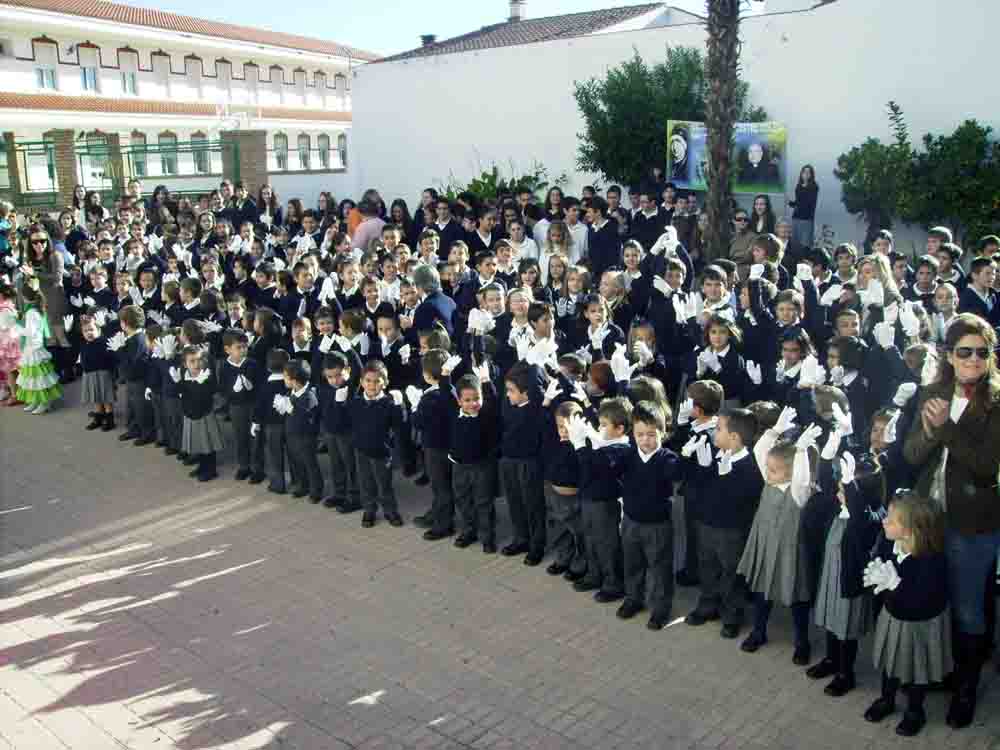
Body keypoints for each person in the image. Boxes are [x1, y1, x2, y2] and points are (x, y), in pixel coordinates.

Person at [903, 313, 1000, 729]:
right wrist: (927, 431)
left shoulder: (996, 402)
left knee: (968, 609)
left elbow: (987, 467)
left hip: (975, 522)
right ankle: (948, 670)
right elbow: (910, 455)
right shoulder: (932, 391)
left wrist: (944, 430)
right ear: (949, 355)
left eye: (983, 352)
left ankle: (967, 687)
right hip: (931, 517)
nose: (974, 359)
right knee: (937, 597)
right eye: (965, 352)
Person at [863, 493, 951, 737]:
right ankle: (887, 699)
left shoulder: (931, 560)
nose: (884, 521)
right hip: (893, 617)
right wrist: (876, 578)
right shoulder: (887, 542)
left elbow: (922, 600)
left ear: (911, 530)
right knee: (890, 663)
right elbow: (878, 566)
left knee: (917, 669)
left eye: (891, 520)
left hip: (920, 624)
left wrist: (896, 584)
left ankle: (915, 710)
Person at [738, 406, 817, 664]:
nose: (767, 472)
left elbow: (803, 477)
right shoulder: (770, 478)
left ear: (791, 472)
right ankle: (759, 631)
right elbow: (761, 451)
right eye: (768, 468)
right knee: (762, 590)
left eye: (773, 470)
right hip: (765, 544)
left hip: (788, 550)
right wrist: (775, 431)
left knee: (796, 596)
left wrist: (803, 451)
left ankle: (802, 640)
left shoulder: (798, 491)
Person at [684, 407, 764, 639]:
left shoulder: (749, 466)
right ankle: (707, 605)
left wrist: (727, 478)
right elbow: (701, 488)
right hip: (707, 525)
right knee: (707, 568)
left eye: (718, 429)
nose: (713, 433)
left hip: (732, 532)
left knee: (731, 574)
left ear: (734, 437)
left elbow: (745, 499)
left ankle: (732, 615)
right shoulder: (715, 454)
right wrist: (701, 467)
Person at [614, 400, 681, 630]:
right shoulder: (629, 455)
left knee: (660, 568)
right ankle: (634, 598)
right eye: (640, 434)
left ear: (663, 433)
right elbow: (610, 469)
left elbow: (677, 473)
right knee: (632, 564)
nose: (645, 440)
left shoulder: (667, 458)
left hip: (657, 526)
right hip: (631, 521)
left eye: (651, 434)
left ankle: (661, 609)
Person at [347, 360, 406, 528]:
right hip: (362, 451)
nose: (372, 385)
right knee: (366, 483)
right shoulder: (356, 402)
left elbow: (399, 424)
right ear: (361, 382)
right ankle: (369, 510)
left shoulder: (388, 403)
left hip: (382, 452)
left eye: (377, 381)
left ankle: (390, 511)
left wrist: (399, 406)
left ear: (385, 383)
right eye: (368, 380)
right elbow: (348, 422)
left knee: (384, 484)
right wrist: (340, 404)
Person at [11, 281, 62, 413]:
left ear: (25, 297)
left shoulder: (31, 312)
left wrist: (17, 328)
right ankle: (35, 400)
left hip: (34, 347)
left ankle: (44, 402)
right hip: (31, 346)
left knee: (39, 377)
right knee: (31, 376)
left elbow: (30, 332)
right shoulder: (34, 310)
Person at [174, 344, 223, 481]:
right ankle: (202, 466)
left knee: (207, 443)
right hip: (190, 413)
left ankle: (211, 470)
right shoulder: (185, 375)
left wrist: (198, 384)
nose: (196, 364)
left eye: (199, 360)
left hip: (204, 414)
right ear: (185, 364)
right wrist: (179, 383)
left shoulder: (206, 376)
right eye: (192, 361)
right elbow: (183, 392)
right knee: (198, 443)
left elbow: (203, 396)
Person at [788, 165, 819, 249]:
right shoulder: (799, 186)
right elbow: (798, 202)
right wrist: (790, 203)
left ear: (811, 174)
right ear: (801, 173)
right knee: (794, 243)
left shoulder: (814, 187)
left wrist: (797, 204)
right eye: (804, 172)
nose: (806, 174)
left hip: (806, 219)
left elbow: (808, 203)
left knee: (805, 245)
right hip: (796, 218)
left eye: (808, 172)